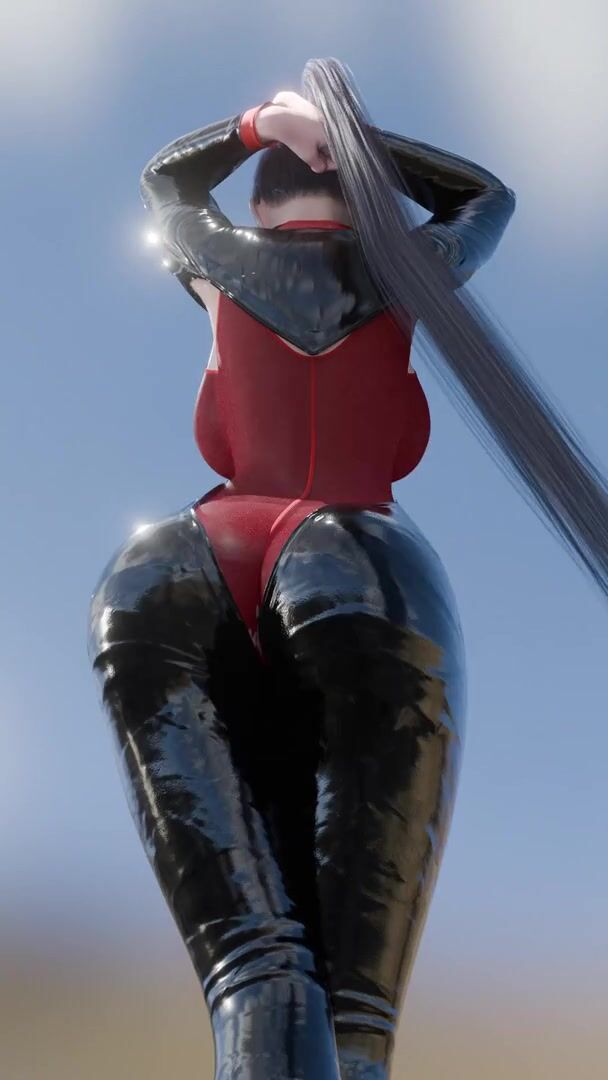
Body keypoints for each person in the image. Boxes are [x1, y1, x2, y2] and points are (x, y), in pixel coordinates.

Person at [88, 58, 607, 1080]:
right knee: (352, 1016)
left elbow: (163, 181)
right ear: (363, 203)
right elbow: (486, 197)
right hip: (355, 554)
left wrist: (262, 124)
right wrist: (361, 149)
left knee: (254, 970)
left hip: (179, 557)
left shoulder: (216, 258)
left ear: (262, 204)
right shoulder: (404, 273)